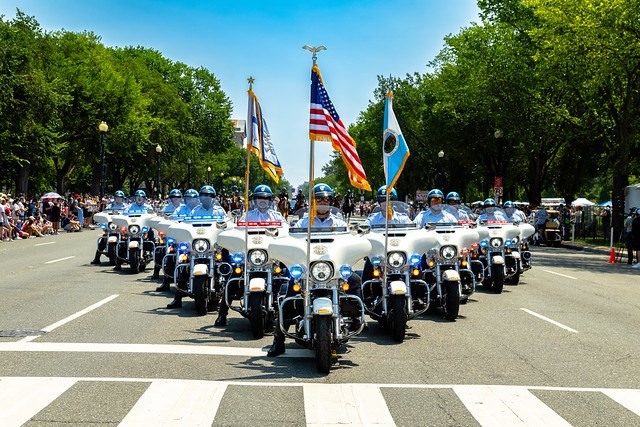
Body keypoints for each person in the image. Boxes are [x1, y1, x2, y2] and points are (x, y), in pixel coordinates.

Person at [268, 183, 362, 357]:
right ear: (313, 201)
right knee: (289, 293)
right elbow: (291, 239)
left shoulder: (340, 223)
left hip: (333, 269)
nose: (323, 202)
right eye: (319, 199)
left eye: (326, 199)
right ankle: (278, 340)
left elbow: (350, 241)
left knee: (355, 280)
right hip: (308, 269)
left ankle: (357, 318)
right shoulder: (304, 222)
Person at [214, 184, 286, 326]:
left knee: (288, 277)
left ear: (270, 200)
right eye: (259, 198)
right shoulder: (247, 216)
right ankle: (222, 313)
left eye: (265, 198)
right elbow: (236, 232)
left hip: (270, 258)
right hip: (249, 257)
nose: (262, 201)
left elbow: (286, 232)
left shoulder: (277, 216)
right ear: (254, 200)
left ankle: (285, 313)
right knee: (232, 277)